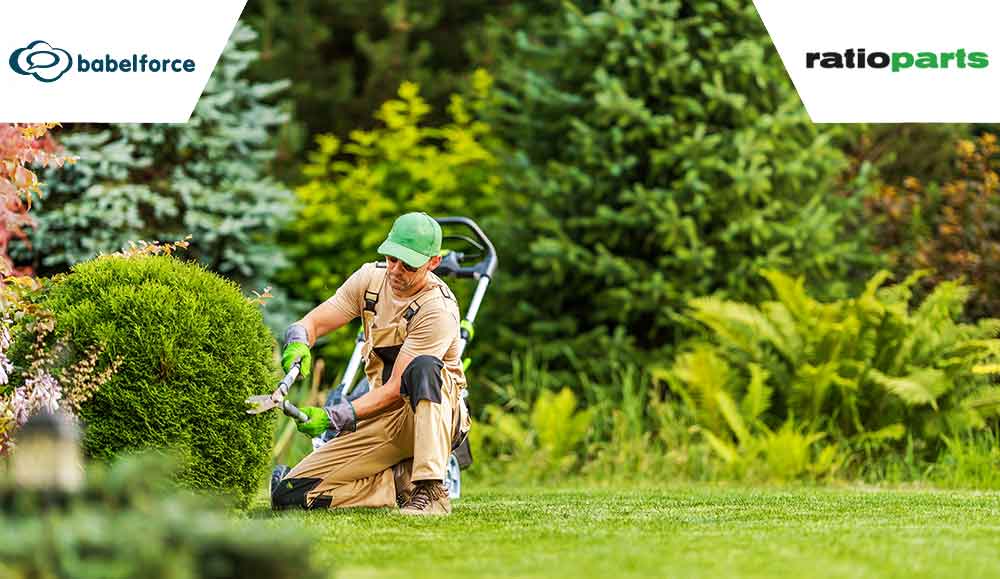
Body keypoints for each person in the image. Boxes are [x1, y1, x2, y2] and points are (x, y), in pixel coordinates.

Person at [270, 212, 469, 516]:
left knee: (424, 367)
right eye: (392, 259)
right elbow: (314, 322)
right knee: (290, 495)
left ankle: (431, 490)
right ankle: (394, 482)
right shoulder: (370, 279)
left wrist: (332, 416)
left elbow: (394, 390)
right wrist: (298, 340)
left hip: (429, 415)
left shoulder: (437, 309)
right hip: (381, 417)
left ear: (433, 263)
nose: (396, 270)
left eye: (409, 265)